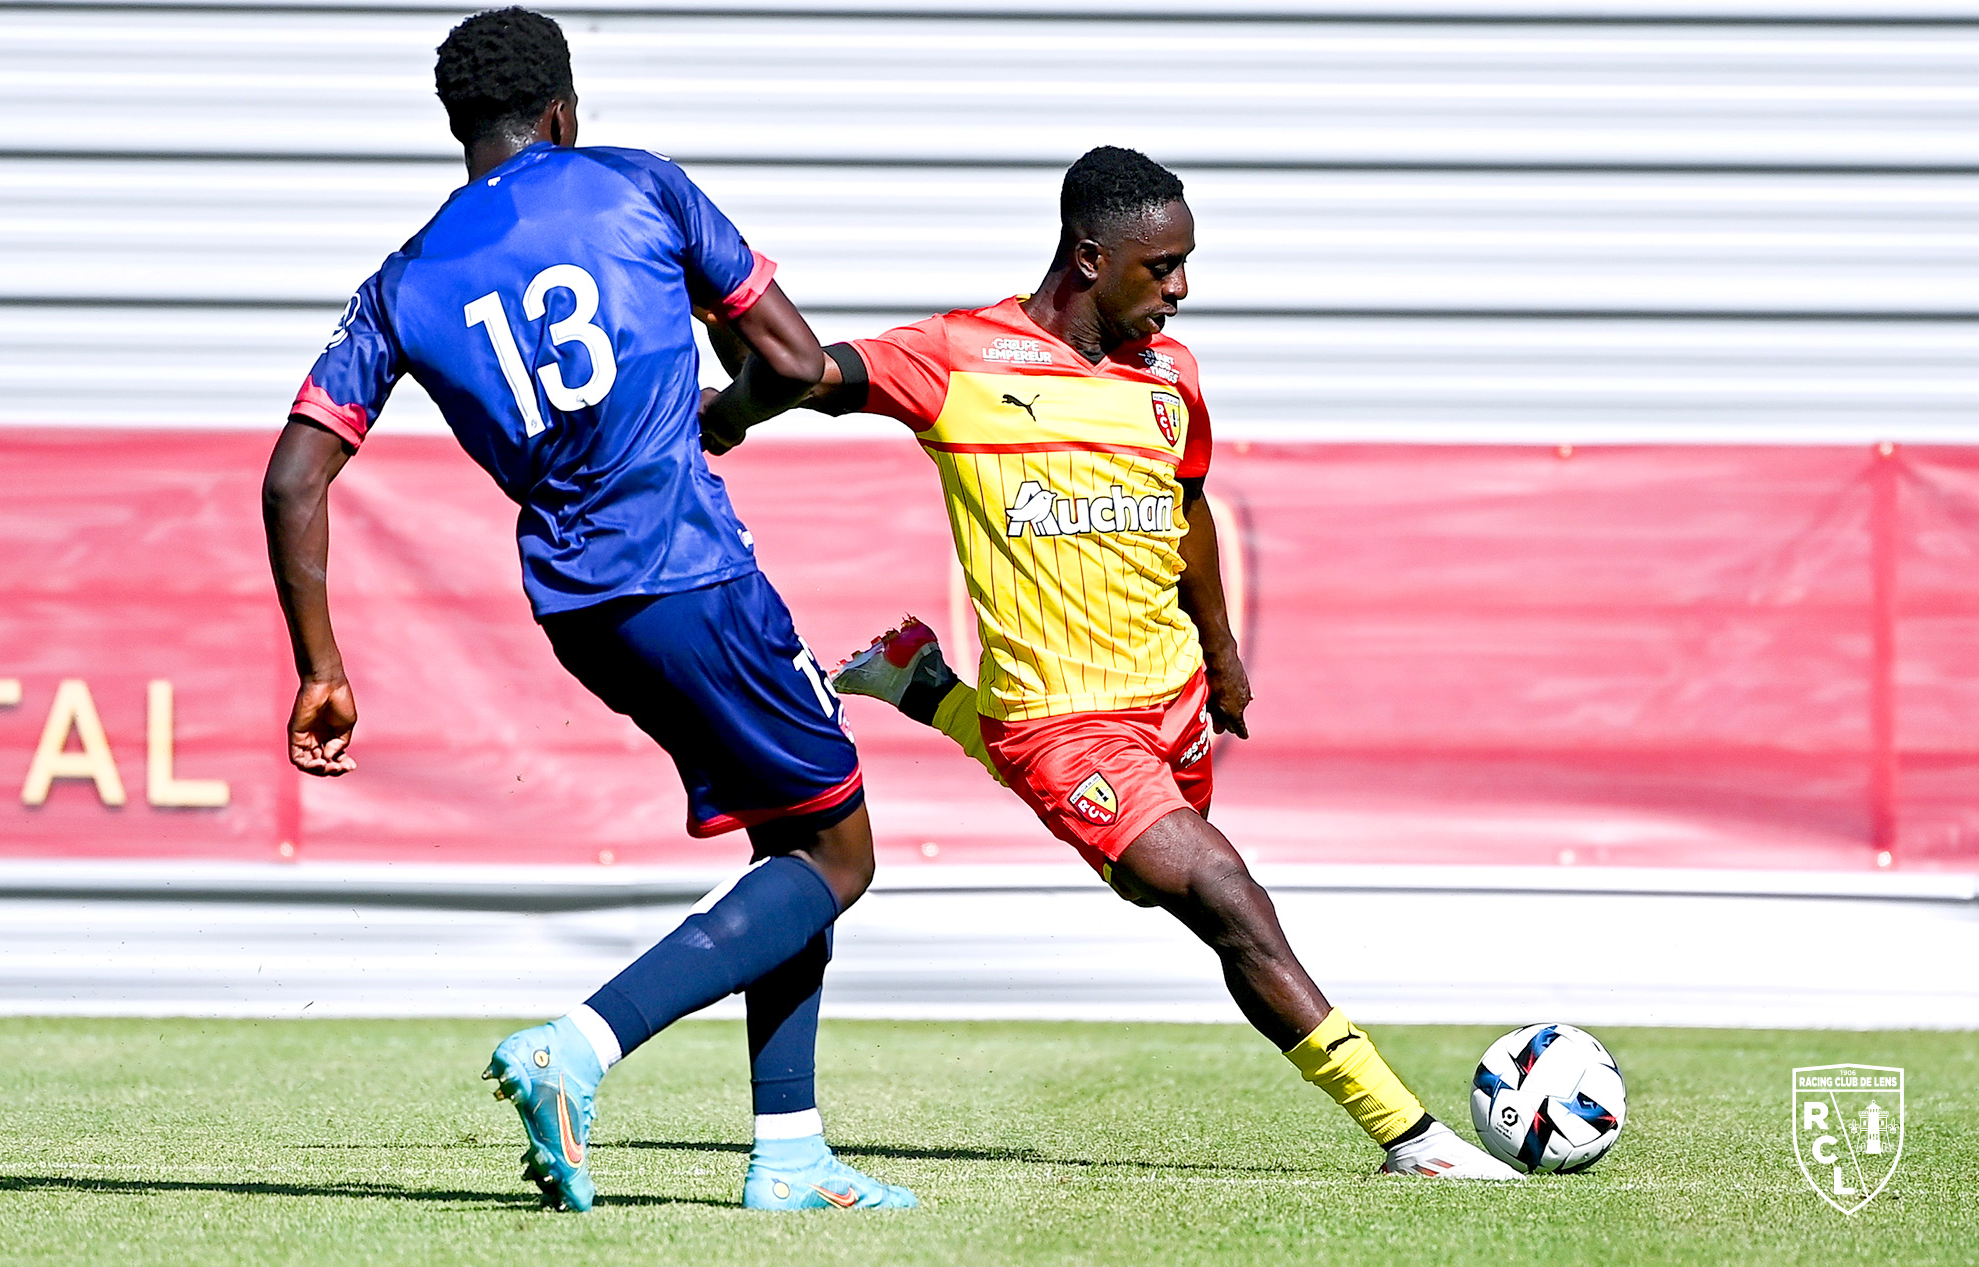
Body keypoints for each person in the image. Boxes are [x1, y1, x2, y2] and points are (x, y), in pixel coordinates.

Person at [701, 146, 1519, 1180]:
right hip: (1061, 723)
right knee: (1225, 893)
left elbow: (1185, 511)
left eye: (1184, 264)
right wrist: (714, 331)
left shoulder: (1169, 376)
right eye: (1159, 266)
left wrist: (1221, 660)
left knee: (1160, 895)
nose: (1178, 289)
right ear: (1088, 258)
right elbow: (810, 371)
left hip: (1167, 705)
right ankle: (1411, 1136)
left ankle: (932, 691)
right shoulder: (959, 357)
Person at [260, 7, 913, 1213]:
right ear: (562, 112)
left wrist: (320, 666)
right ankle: (582, 1045)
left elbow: (294, 475)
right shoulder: (634, 186)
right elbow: (793, 353)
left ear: (460, 128)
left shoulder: (404, 279)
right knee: (839, 850)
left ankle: (790, 1154)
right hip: (690, 570)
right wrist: (729, 413)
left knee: (789, 838)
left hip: (579, 607)